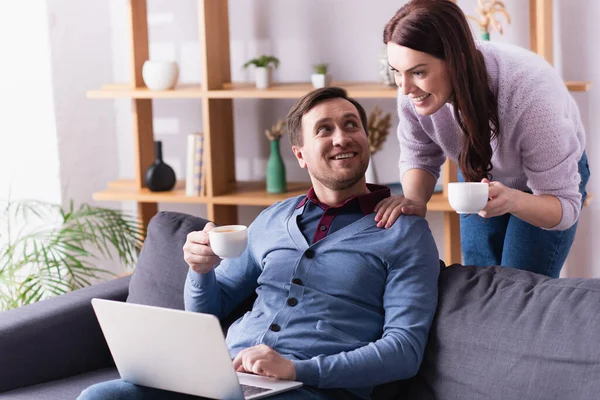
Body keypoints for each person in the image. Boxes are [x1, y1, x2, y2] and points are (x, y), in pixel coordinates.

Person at [77, 87, 440, 400]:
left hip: (313, 390)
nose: (341, 138)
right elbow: (208, 310)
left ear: (366, 140)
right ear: (300, 154)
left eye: (351, 125)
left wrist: (297, 370)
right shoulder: (270, 220)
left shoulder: (403, 231)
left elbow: (404, 352)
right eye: (324, 130)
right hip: (224, 379)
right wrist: (201, 271)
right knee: (101, 395)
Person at [374, 0, 590, 278]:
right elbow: (420, 154)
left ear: (458, 59)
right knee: (480, 282)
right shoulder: (411, 93)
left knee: (517, 288)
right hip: (480, 168)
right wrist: (415, 201)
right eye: (396, 72)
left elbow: (565, 206)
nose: (404, 88)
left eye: (418, 72)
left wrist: (512, 200)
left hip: (548, 184)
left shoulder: (530, 93)